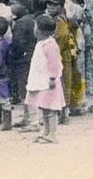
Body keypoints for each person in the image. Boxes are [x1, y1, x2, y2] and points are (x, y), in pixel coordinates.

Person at [25, 15, 65, 143]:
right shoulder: (40, 43)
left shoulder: (50, 45)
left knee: (51, 110)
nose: (34, 29)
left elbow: (54, 64)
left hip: (49, 83)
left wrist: (53, 78)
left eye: (35, 26)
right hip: (41, 82)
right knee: (44, 107)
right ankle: (46, 132)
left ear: (40, 30)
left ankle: (52, 134)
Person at [46, 0, 84, 124]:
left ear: (60, 6)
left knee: (63, 83)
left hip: (61, 54)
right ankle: (64, 111)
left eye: (54, 5)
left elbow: (61, 37)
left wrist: (54, 50)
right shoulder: (62, 19)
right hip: (64, 54)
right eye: (49, 4)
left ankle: (64, 113)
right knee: (64, 82)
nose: (50, 7)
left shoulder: (59, 20)